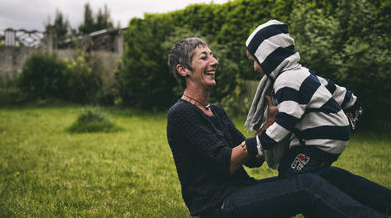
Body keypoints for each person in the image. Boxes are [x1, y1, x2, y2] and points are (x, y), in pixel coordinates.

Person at [166, 37, 388, 217]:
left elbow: (253, 160)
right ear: (183, 69)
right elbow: (225, 163)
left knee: (326, 175)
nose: (214, 61)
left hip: (241, 191)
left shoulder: (216, 111)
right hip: (217, 206)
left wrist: (270, 124)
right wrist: (262, 139)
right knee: (306, 186)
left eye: (212, 55)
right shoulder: (182, 113)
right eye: (204, 57)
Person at [243, 20, 361, 177]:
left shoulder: (286, 81)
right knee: (293, 165)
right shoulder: (300, 72)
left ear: (268, 56)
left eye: (254, 61)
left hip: (320, 142)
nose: (255, 68)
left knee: (291, 174)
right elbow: (331, 87)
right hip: (332, 136)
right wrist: (352, 102)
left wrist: (258, 144)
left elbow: (285, 121)